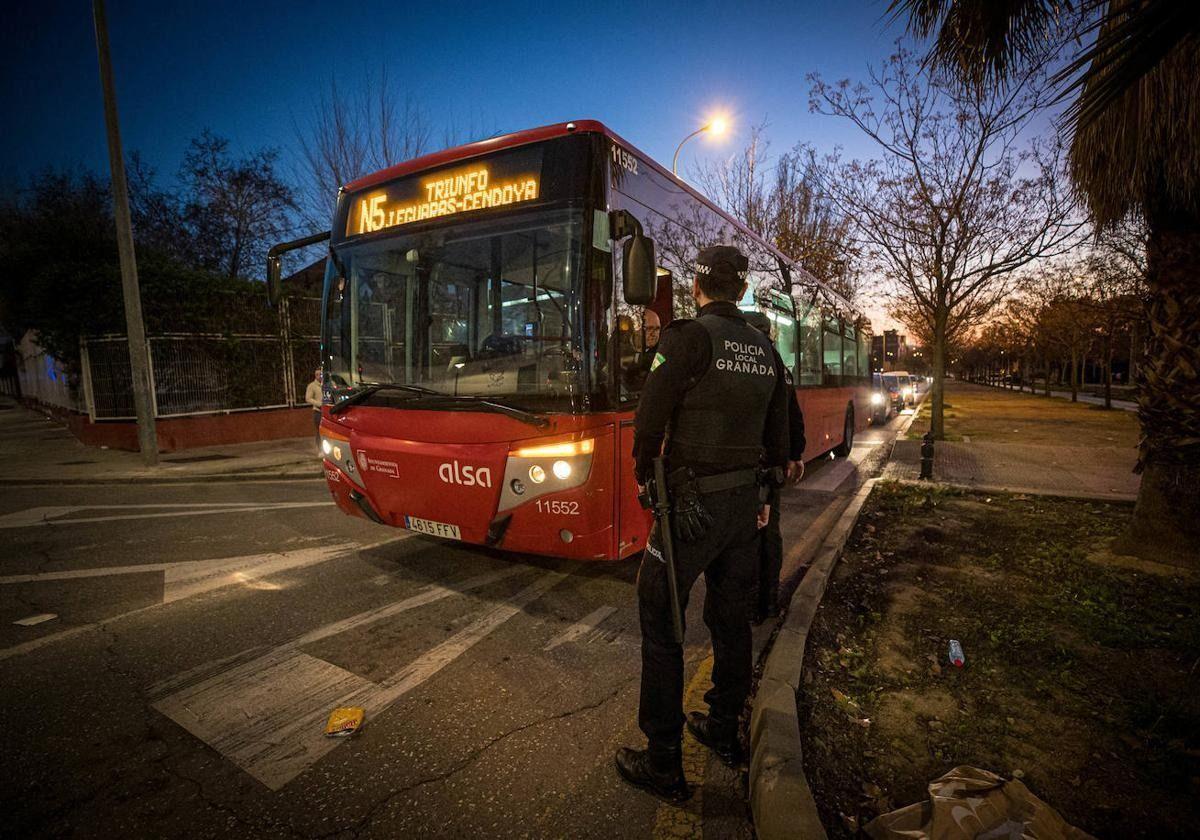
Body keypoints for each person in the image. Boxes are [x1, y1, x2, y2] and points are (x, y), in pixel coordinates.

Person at [615, 245, 790, 802]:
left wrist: (645, 475)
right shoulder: (766, 348)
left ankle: (664, 760)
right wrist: (766, 494)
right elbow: (781, 434)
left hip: (690, 509)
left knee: (661, 615)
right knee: (729, 617)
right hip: (745, 508)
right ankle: (723, 728)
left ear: (698, 285)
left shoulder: (688, 338)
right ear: (740, 290)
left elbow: (650, 418)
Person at [741, 311, 806, 623]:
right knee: (769, 533)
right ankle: (767, 602)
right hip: (772, 467)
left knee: (752, 536)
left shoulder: (748, 364)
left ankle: (753, 603)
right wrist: (795, 455)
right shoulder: (780, 366)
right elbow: (793, 417)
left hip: (750, 466)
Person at [305, 368, 323, 446]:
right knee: (319, 431)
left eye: (320, 374)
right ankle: (320, 449)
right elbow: (308, 398)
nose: (319, 376)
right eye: (317, 375)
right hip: (318, 411)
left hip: (328, 411)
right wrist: (318, 403)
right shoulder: (312, 386)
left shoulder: (328, 384)